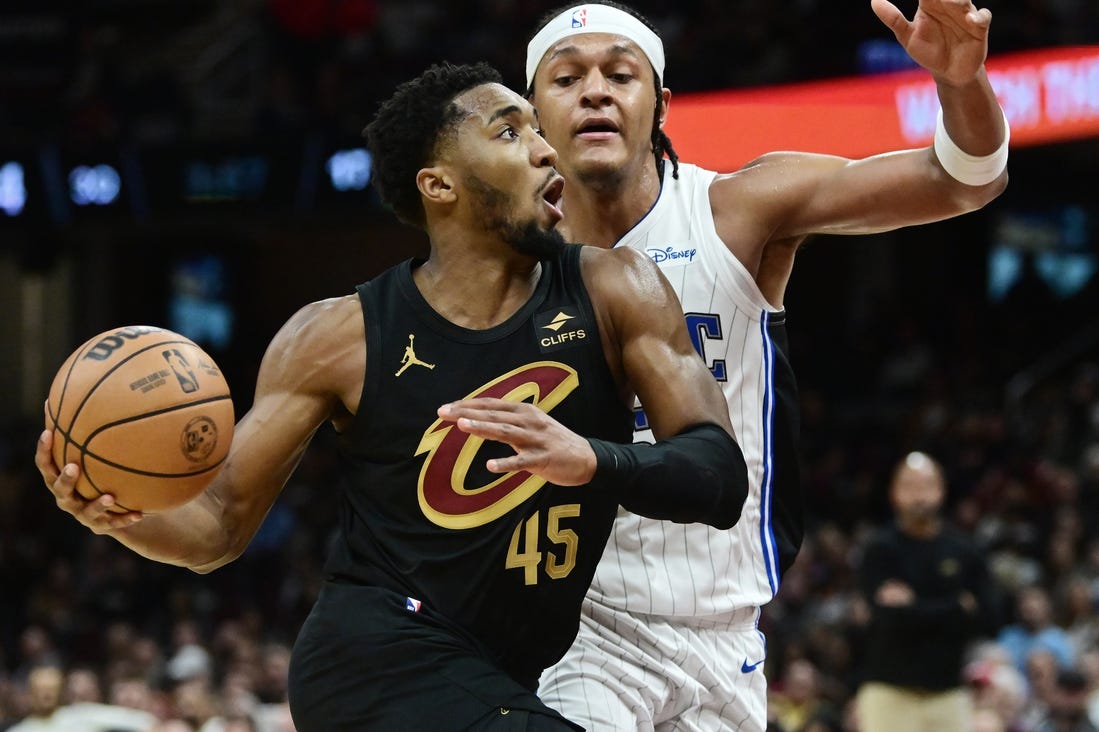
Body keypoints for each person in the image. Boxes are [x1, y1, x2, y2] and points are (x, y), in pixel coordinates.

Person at [35, 61, 750, 730]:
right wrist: (116, 514)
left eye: (537, 128)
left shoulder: (614, 288)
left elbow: (718, 479)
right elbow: (217, 526)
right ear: (439, 185)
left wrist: (594, 460)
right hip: (376, 656)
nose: (544, 149)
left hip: (493, 677)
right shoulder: (335, 336)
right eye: (510, 131)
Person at [524, 1, 1009, 729]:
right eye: (565, 78)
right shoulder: (506, 263)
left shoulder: (735, 209)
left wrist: (960, 85)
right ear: (532, 116)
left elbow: (966, 179)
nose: (594, 90)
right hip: (579, 628)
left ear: (658, 103)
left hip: (728, 637)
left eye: (620, 74)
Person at [855, 451, 998, 732]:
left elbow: (989, 619)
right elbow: (885, 618)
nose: (919, 495)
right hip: (888, 691)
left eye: (927, 485)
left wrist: (911, 606)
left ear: (942, 490)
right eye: (909, 486)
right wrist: (955, 607)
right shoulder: (878, 550)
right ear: (894, 493)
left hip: (948, 692)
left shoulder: (965, 551)